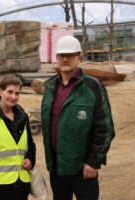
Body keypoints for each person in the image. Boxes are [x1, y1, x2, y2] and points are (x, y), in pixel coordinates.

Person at [41, 35, 115, 200]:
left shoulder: (92, 86)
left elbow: (105, 128)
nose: (65, 59)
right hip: (57, 166)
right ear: (57, 58)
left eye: (70, 55)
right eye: (61, 56)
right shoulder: (50, 87)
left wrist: (93, 162)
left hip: (82, 167)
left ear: (79, 58)